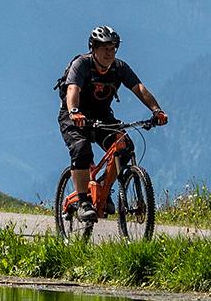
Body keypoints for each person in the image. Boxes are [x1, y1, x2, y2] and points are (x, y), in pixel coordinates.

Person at [57, 25, 168, 229]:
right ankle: (82, 202)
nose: (110, 53)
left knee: (124, 146)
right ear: (93, 48)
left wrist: (156, 110)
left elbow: (139, 88)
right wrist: (74, 111)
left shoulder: (119, 68)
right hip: (73, 116)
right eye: (105, 48)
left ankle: (103, 190)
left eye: (113, 48)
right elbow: (73, 88)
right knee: (81, 150)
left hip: (101, 117)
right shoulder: (82, 64)